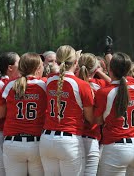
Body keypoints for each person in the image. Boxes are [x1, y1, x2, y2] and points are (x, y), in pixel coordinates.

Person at [39, 45, 94, 176]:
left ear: (57, 62)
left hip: (46, 139)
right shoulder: (82, 85)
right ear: (76, 62)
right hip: (69, 141)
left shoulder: (48, 80)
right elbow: (90, 118)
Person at [94, 52, 134, 176]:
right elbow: (119, 78)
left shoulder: (104, 93)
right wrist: (109, 55)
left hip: (116, 148)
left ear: (109, 70)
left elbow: (99, 121)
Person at [0, 52, 45, 176]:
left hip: (13, 143)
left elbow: (0, 114)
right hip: (36, 142)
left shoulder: (10, 85)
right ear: (38, 68)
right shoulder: (43, 85)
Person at [76, 52, 110, 175]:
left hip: (75, 137)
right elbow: (116, 83)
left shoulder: (74, 82)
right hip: (91, 136)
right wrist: (99, 71)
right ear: (95, 68)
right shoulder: (100, 84)